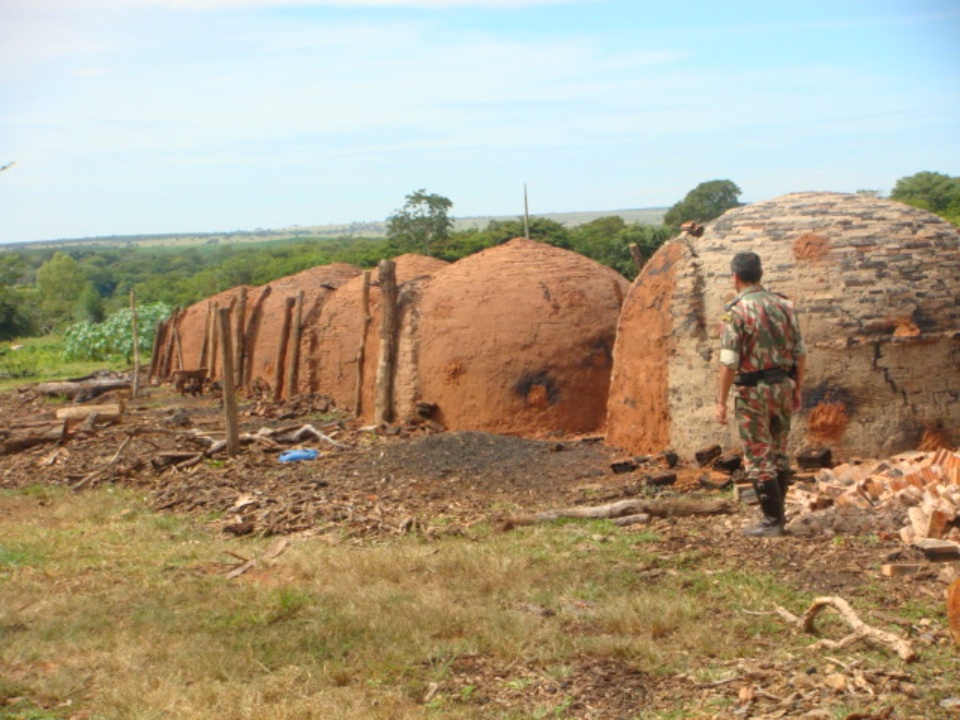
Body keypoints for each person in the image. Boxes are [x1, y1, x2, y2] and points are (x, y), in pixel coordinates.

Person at [715, 251, 806, 537]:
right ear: (761, 274)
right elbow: (800, 353)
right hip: (782, 385)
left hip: (752, 390)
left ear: (735, 277)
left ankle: (772, 521)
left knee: (757, 453)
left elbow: (729, 361)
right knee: (779, 451)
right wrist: (798, 388)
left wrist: (720, 401)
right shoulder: (785, 306)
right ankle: (779, 519)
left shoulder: (735, 311)